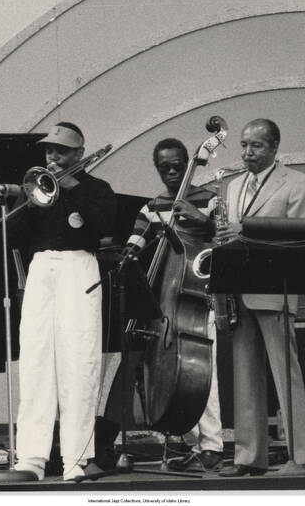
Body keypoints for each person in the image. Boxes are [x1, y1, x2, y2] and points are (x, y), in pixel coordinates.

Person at [8, 122, 117, 481]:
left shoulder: (97, 188)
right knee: (36, 360)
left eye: (61, 151)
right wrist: (28, 200)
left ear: (79, 154)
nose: (52, 157)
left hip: (78, 266)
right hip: (41, 268)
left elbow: (103, 228)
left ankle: (77, 459)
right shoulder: (38, 187)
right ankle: (31, 459)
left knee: (78, 361)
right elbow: (16, 237)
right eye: (49, 151)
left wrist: (72, 188)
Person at [216, 119, 305, 476]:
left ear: (274, 147)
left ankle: (298, 456)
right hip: (239, 288)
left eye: (255, 146)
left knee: (285, 374)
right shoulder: (233, 186)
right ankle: (248, 456)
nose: (247, 153)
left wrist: (247, 231)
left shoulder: (297, 182)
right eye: (243, 145)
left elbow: (300, 234)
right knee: (244, 375)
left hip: (275, 287)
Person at [123, 138, 224, 472]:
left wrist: (202, 219)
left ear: (187, 163)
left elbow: (222, 241)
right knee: (178, 375)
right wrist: (127, 254)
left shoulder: (208, 200)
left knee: (202, 373)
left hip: (199, 296)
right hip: (167, 301)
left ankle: (212, 445)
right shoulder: (152, 207)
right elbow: (135, 245)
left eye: (177, 165)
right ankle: (194, 444)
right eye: (163, 166)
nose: (171, 171)